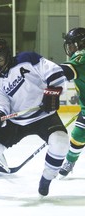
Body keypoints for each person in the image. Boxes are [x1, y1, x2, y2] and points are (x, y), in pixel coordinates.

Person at [0, 38, 70, 196]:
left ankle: (47, 178)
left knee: (60, 141)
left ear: (6, 54)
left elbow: (53, 72)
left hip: (44, 116)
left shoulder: (27, 59)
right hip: (15, 122)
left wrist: (53, 90)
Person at [58, 27, 85, 178]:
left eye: (72, 44)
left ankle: (69, 162)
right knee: (79, 134)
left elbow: (65, 71)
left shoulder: (82, 56)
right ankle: (70, 161)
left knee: (79, 133)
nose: (69, 48)